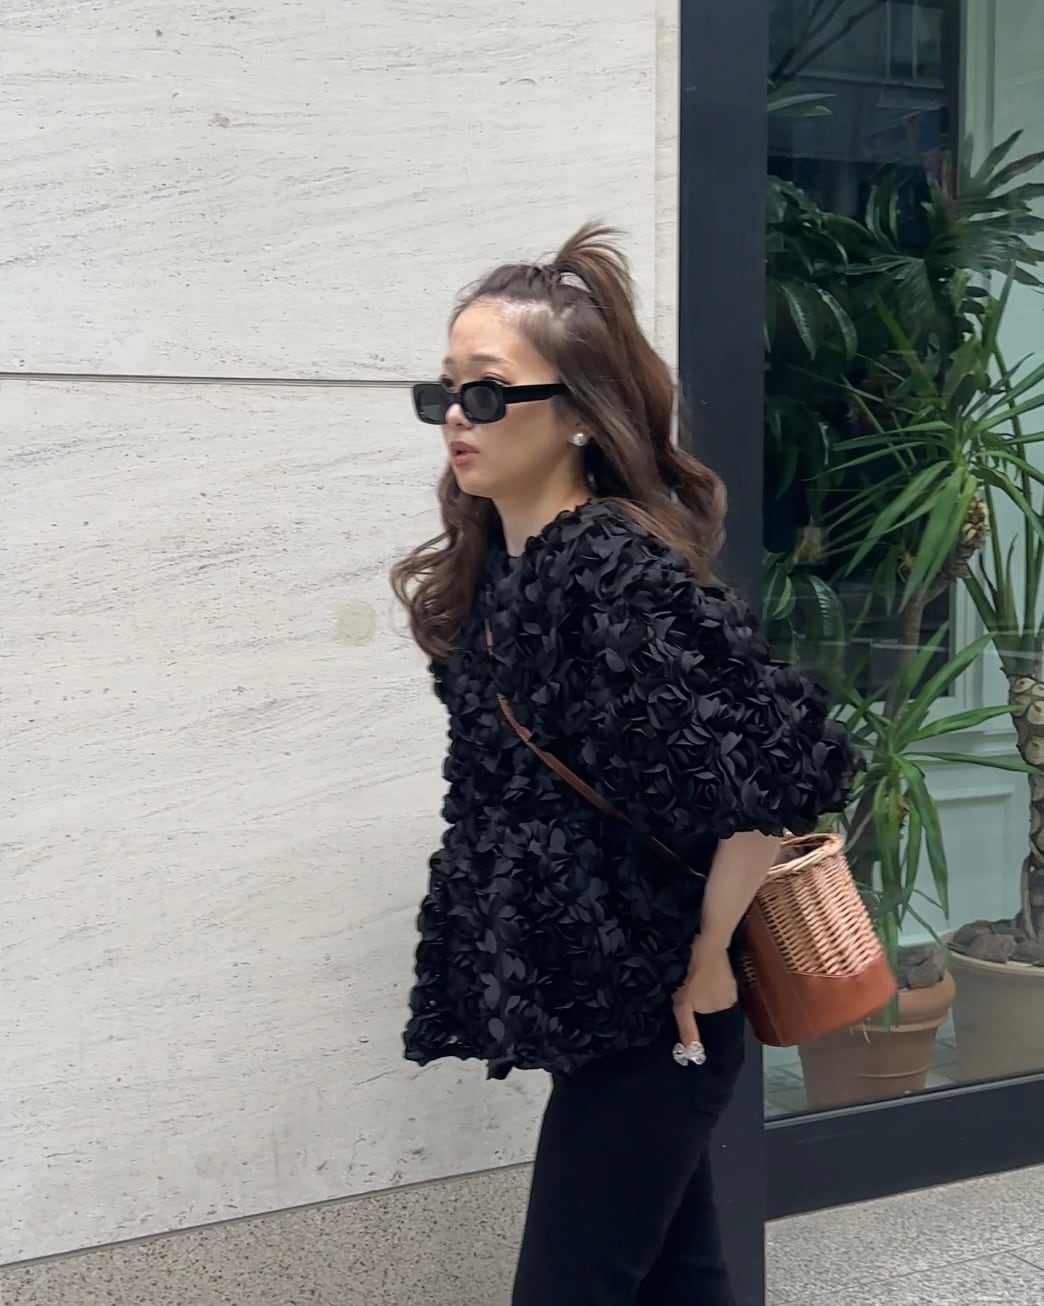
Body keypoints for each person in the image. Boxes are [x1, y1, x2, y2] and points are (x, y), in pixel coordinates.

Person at [392, 223, 858, 1305]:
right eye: (445, 391)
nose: (457, 416)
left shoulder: (609, 566)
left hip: (666, 1006)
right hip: (603, 997)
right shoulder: (502, 570)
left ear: (577, 413)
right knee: (680, 1281)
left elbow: (777, 764)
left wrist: (709, 956)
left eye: (486, 391)